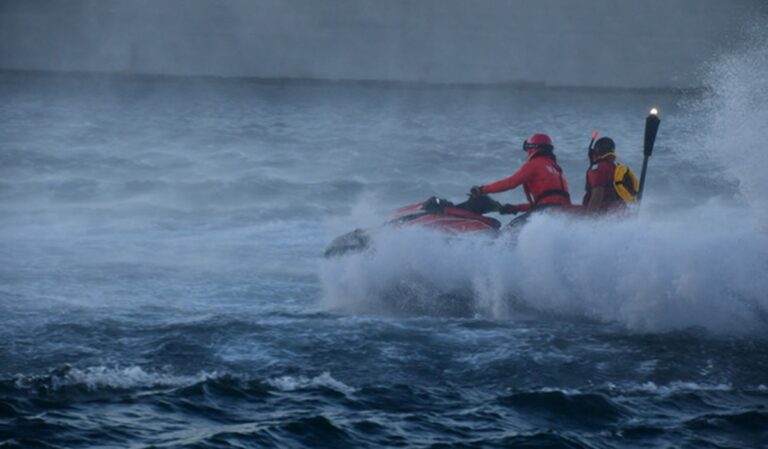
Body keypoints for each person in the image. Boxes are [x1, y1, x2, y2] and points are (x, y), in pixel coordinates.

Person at [469, 133, 572, 218]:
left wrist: (482, 190)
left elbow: (510, 183)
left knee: (507, 233)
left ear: (532, 148)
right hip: (564, 212)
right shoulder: (558, 170)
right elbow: (548, 201)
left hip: (546, 211)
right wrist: (516, 208)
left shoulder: (534, 164)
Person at [582, 137, 639, 214]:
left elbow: (597, 195)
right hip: (620, 212)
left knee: (566, 210)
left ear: (595, 153)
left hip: (604, 214)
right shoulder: (615, 168)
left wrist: (588, 221)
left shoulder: (598, 168)